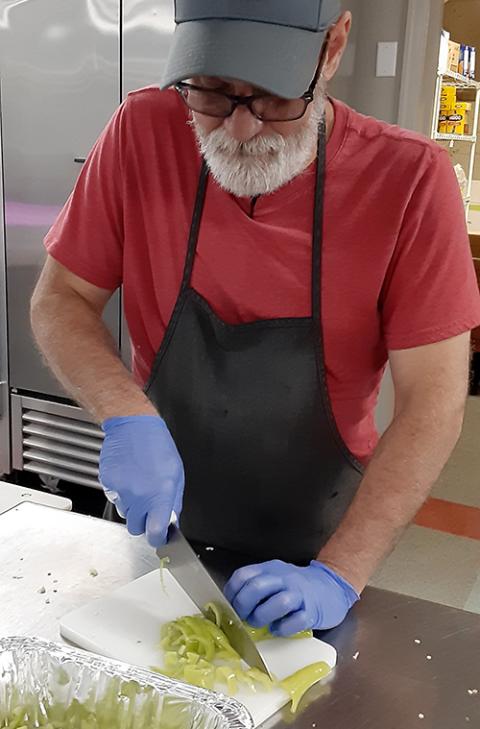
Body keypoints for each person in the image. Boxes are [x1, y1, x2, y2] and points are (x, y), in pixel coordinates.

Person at [31, 0, 480, 638]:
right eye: (211, 92)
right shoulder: (140, 130)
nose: (238, 129)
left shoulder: (409, 181)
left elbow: (433, 402)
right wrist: (122, 411)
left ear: (332, 47)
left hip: (316, 537)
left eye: (270, 97)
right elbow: (59, 298)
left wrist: (340, 574)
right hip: (157, 528)